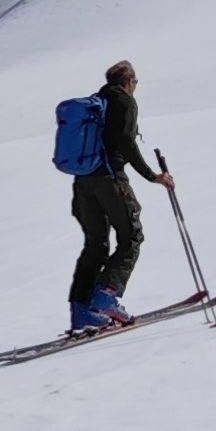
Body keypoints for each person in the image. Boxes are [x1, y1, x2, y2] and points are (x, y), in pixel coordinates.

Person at [69, 60, 173, 331]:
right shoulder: (124, 101)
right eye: (135, 81)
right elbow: (126, 143)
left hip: (83, 183)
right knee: (131, 237)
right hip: (110, 180)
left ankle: (82, 310)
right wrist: (153, 176)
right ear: (128, 81)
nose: (136, 86)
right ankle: (107, 296)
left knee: (96, 244)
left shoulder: (96, 101)